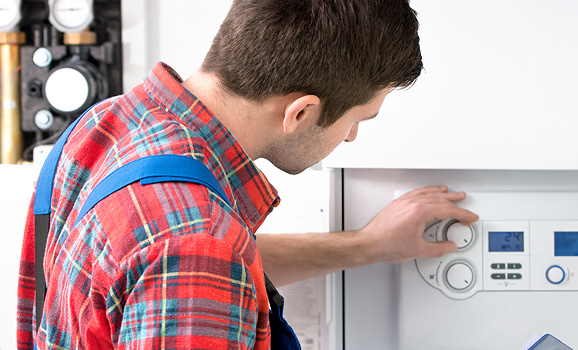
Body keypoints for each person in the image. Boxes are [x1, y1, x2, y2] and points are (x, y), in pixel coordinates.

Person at [16, 0, 478, 349]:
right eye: (358, 118)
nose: (352, 136)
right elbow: (193, 256)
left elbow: (158, 268)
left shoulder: (106, 124)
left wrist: (367, 246)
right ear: (300, 113)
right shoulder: (197, 245)